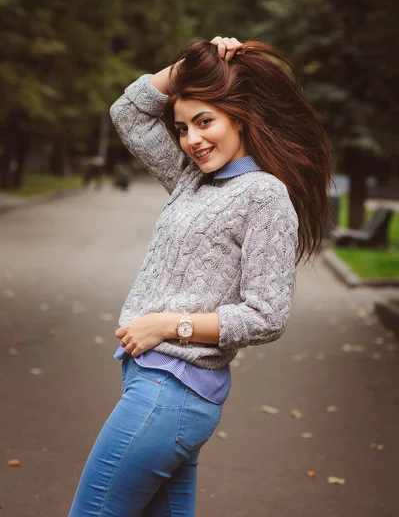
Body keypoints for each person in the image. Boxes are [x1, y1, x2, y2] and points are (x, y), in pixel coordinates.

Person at [68, 36, 332, 516]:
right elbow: (127, 113)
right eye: (183, 126)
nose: (192, 140)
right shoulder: (193, 179)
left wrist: (169, 324)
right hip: (155, 388)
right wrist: (190, 65)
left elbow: (266, 315)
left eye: (205, 121)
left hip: (171, 392)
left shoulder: (264, 196)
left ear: (241, 116)